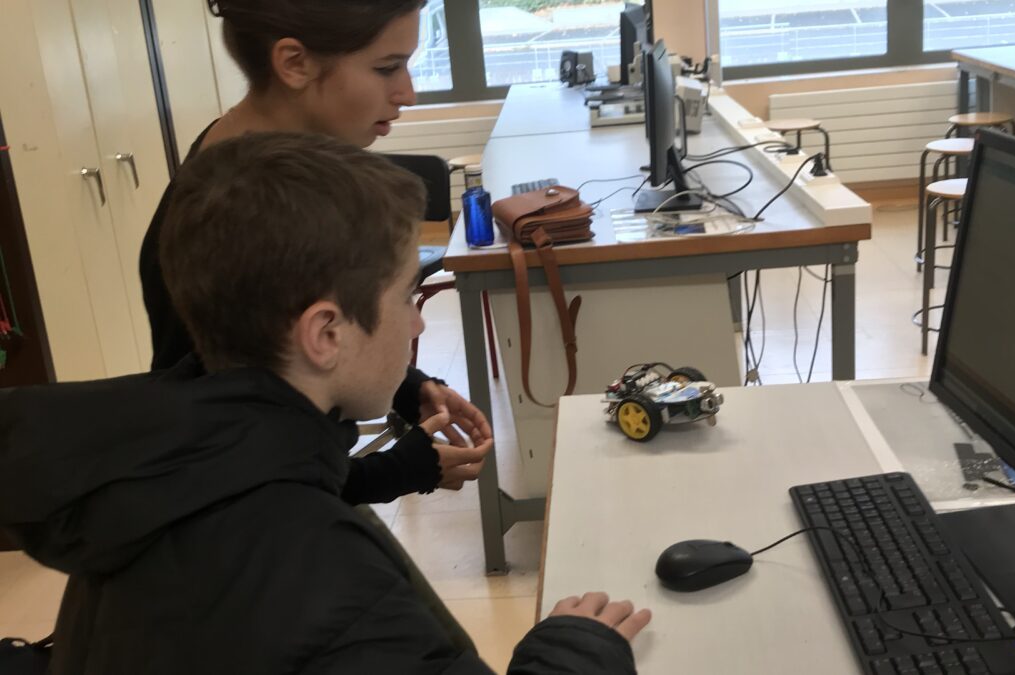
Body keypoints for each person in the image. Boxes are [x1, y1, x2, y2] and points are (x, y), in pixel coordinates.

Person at [0, 133, 650, 673]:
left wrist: (403, 465)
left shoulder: (156, 473)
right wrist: (575, 649)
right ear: (326, 333)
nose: (418, 326)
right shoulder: (336, 590)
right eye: (405, 297)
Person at [138, 0, 486, 499]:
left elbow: (285, 350)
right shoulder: (234, 211)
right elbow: (224, 459)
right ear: (294, 63)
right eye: (387, 67)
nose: (407, 92)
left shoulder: (277, 174)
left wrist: (408, 386)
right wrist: (395, 473)